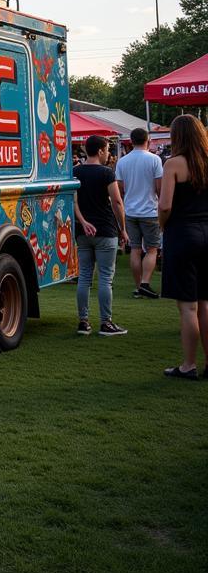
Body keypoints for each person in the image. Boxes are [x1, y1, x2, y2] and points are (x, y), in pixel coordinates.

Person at [158, 114, 208, 380]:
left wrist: (162, 224)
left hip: (183, 234)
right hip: (206, 231)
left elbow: (165, 205)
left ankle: (189, 365)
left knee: (188, 307)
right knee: (205, 303)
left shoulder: (173, 164)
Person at [73, 134, 128, 337]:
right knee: (105, 278)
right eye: (107, 150)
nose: (108, 154)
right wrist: (123, 229)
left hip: (83, 231)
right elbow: (117, 202)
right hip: (105, 230)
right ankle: (106, 323)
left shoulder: (75, 171)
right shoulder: (106, 173)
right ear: (99, 151)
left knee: (85, 277)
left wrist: (83, 222)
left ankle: (83, 322)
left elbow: (73, 202)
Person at [116, 127, 163, 299]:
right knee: (152, 249)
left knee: (135, 249)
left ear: (131, 141)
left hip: (130, 210)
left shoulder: (122, 161)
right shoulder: (154, 159)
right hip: (149, 210)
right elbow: (159, 188)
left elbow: (120, 188)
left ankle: (138, 287)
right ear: (148, 140)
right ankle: (145, 283)